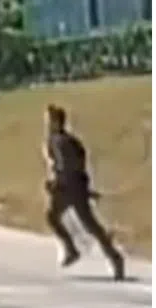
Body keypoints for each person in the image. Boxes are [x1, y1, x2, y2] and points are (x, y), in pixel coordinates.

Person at [42, 104, 125, 280]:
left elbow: (66, 166)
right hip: (75, 186)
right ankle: (114, 257)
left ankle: (73, 249)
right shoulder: (64, 140)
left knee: (56, 218)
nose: (47, 123)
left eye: (49, 120)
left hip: (68, 187)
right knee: (89, 225)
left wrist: (57, 183)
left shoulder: (59, 141)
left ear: (57, 122)